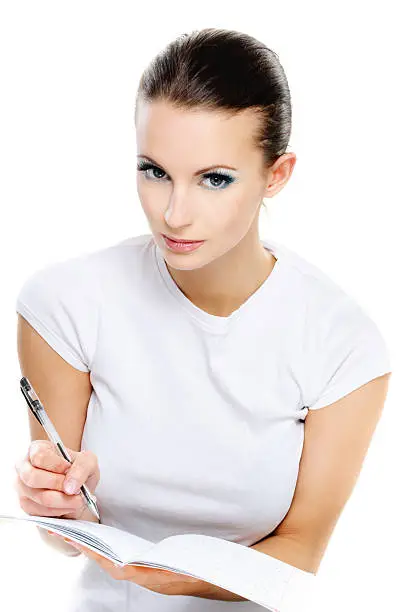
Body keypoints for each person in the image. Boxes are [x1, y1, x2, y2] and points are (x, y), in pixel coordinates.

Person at [14, 27, 392, 611]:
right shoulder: (65, 305)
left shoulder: (341, 344)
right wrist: (59, 506)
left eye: (215, 179)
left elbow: (303, 548)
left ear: (277, 175)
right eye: (153, 170)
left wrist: (175, 577)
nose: (174, 213)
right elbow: (63, 534)